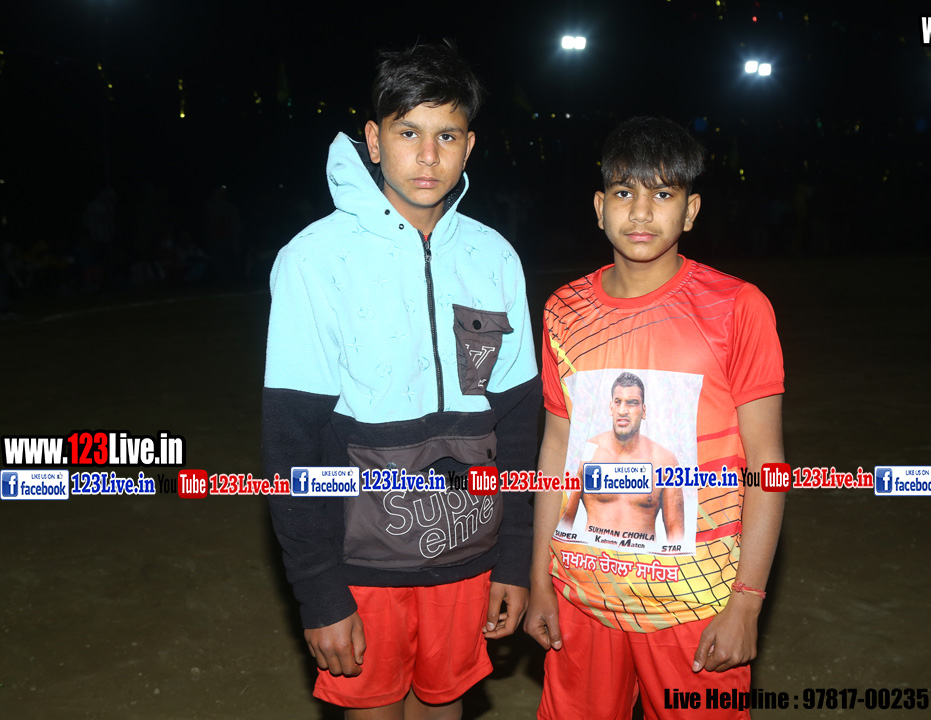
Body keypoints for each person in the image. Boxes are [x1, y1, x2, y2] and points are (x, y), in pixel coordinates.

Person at [263, 42, 540, 720]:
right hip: (362, 562)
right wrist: (320, 591)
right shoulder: (314, 260)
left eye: (447, 135)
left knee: (444, 707)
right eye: (408, 132)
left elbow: (519, 425)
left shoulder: (494, 257)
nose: (427, 155)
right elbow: (292, 441)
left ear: (469, 146)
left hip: (469, 554)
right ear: (373, 139)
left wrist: (513, 558)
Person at [525, 116, 786, 719]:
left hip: (694, 604)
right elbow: (556, 451)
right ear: (599, 207)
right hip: (582, 597)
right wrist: (540, 578)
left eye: (663, 194)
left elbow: (768, 464)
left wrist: (746, 602)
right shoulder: (564, 310)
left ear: (690, 211)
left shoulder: (736, 308)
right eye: (624, 192)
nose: (641, 212)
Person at [558, 371, 684, 543]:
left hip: (644, 559)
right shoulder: (587, 454)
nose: (623, 411)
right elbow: (564, 522)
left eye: (632, 403)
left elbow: (676, 535)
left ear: (643, 411)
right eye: (618, 402)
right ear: (611, 407)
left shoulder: (665, 461)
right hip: (592, 557)